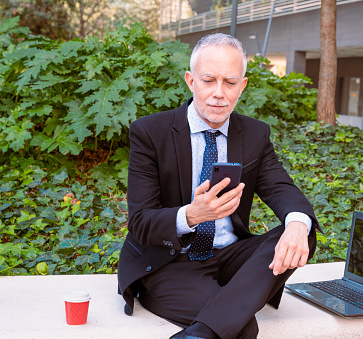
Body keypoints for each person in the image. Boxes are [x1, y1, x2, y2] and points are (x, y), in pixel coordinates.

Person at [117, 33, 319, 339]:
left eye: (230, 82)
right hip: (171, 260)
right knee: (242, 328)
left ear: (243, 85)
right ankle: (206, 321)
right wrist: (191, 215)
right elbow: (140, 222)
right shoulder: (150, 133)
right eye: (209, 80)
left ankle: (201, 327)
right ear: (191, 80)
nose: (219, 93)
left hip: (230, 256)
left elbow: (281, 188)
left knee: (300, 229)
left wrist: (297, 225)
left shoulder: (254, 134)